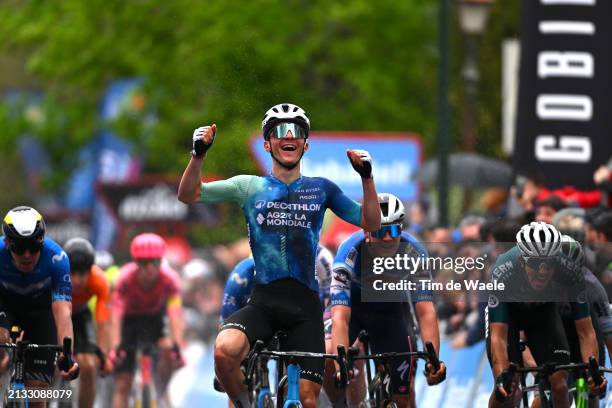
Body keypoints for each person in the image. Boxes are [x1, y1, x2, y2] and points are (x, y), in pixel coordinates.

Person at [178, 102, 381, 408]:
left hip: (305, 308)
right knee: (223, 351)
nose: (290, 136)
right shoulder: (249, 186)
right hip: (264, 302)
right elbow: (189, 194)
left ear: (306, 144)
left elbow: (372, 222)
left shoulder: (322, 189)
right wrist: (198, 155)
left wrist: (367, 178)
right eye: (280, 131)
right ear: (267, 143)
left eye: (297, 131)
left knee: (309, 402)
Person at [325, 193, 446, 408]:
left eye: (394, 230)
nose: (388, 238)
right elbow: (340, 317)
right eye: (381, 231)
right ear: (367, 231)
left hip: (391, 314)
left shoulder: (414, 251)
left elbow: (426, 311)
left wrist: (433, 361)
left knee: (404, 395)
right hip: (354, 311)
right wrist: (340, 364)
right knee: (345, 369)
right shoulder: (349, 252)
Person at [486, 222, 605, 408]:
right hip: (509, 316)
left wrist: (592, 373)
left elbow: (586, 332)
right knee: (510, 388)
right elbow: (498, 336)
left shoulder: (569, 270)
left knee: (559, 383)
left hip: (542, 314)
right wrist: (502, 375)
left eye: (548, 264)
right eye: (535, 263)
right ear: (522, 260)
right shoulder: (502, 271)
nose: (542, 271)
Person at [0, 206, 79, 408]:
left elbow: (62, 311)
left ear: (42, 242)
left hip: (40, 313)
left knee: (37, 391)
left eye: (34, 246)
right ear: (7, 243)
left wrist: (66, 354)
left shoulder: (57, 259)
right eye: (19, 247)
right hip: (5, 306)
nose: (27, 254)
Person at [111, 233, 185, 408]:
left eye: (155, 262)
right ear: (136, 263)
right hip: (128, 322)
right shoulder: (124, 279)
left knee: (168, 348)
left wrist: (178, 346)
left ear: (161, 261)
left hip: (154, 320)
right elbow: (115, 313)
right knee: (123, 384)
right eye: (144, 263)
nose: (150, 268)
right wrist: (115, 346)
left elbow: (175, 313)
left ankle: (161, 389)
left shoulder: (170, 279)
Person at [64, 237, 114, 408]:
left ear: (91, 270)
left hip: (79, 315)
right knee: (48, 365)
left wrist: (104, 356)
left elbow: (103, 323)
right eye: (73, 273)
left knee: (89, 365)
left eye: (82, 274)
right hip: (53, 314)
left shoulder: (100, 281)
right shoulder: (54, 274)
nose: (77, 280)